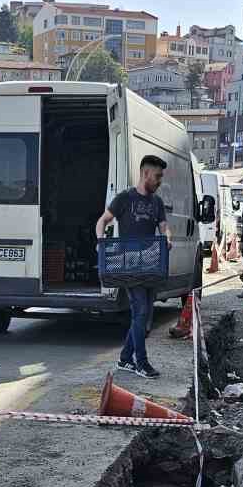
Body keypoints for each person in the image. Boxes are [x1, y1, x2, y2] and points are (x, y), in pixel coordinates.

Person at [96, 155, 171, 380]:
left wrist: (167, 237)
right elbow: (103, 220)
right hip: (129, 264)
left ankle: (125, 359)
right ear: (145, 174)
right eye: (157, 176)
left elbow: (164, 227)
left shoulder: (156, 203)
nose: (159, 181)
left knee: (144, 315)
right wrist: (100, 242)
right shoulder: (124, 199)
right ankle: (142, 362)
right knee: (140, 312)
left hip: (150, 263)